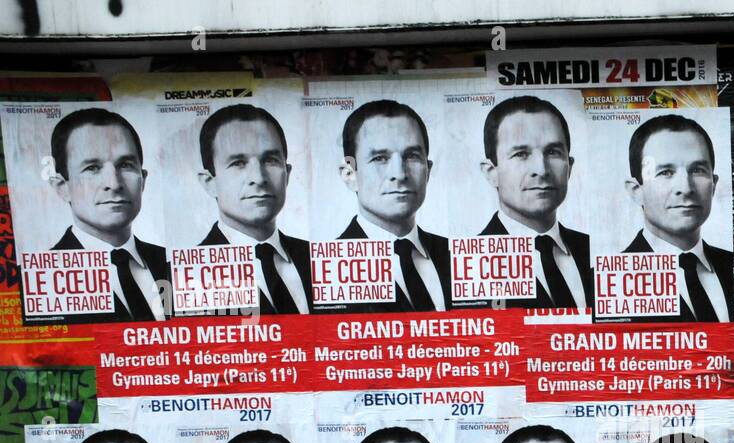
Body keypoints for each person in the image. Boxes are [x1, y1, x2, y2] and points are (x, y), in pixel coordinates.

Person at [46, 107, 169, 322]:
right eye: (92, 168)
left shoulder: (173, 263)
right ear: (62, 187)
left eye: (125, 165)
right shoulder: (38, 280)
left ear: (143, 179)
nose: (114, 184)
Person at [336, 100, 454, 311]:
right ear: (350, 174)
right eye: (380, 158)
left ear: (428, 169)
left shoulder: (458, 257)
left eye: (412, 156)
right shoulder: (326, 268)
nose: (399, 174)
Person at [479, 96, 593, 310]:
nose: (541, 170)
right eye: (521, 154)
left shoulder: (594, 250)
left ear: (570, 166)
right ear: (491, 172)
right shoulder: (468, 263)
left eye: (553, 152)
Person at [196, 104, 311, 315]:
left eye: (270, 160)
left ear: (287, 173)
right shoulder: (185, 274)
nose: (258, 178)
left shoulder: (318, 260)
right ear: (209, 182)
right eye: (238, 163)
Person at [623, 115, 733, 322]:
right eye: (665, 172)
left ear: (714, 184)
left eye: (698, 170)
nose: (686, 188)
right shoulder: (605, 281)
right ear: (636, 190)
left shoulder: (733, 266)